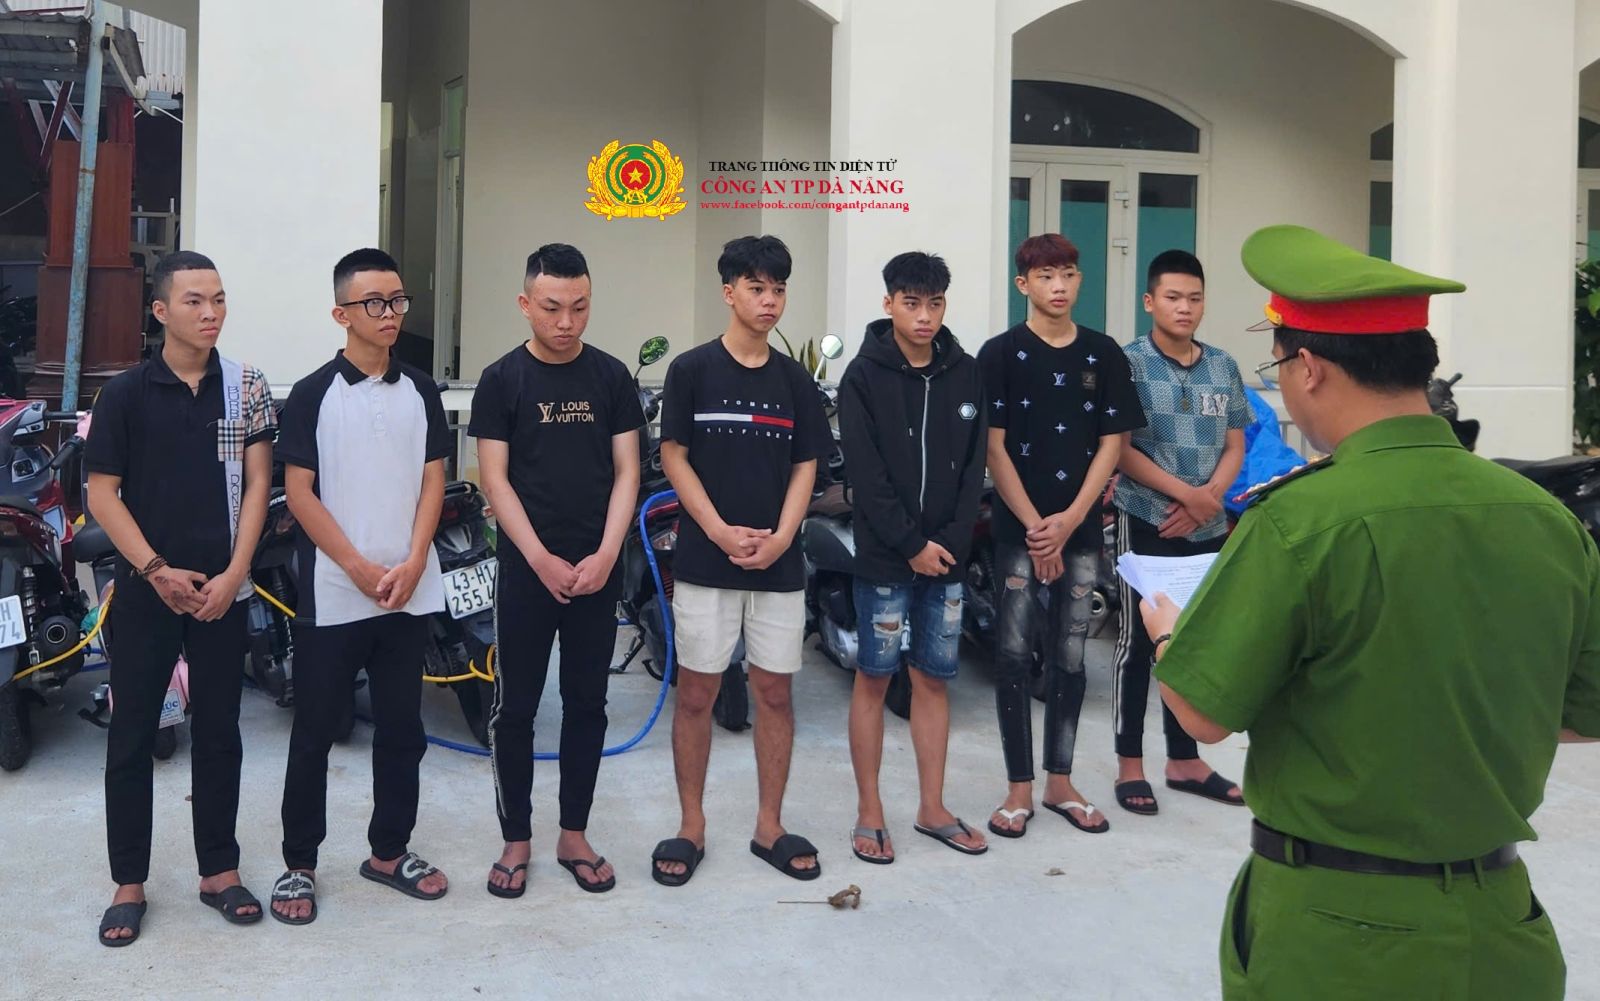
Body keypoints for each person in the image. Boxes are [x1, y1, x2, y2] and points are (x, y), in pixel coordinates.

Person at [1140, 224, 1599, 1000]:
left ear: (1310, 367)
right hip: (1500, 931)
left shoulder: (1299, 519)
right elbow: (1582, 713)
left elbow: (1201, 712)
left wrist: (1168, 635)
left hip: (1332, 934)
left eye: (1279, 367)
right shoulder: (1546, 518)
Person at [87, 251, 276, 946]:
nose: (211, 312)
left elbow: (258, 484)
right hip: (148, 590)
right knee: (133, 732)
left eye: (219, 299)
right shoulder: (124, 394)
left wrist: (235, 572)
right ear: (161, 310)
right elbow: (102, 494)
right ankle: (128, 882)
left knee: (221, 731)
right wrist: (156, 569)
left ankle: (218, 870)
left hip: (223, 591)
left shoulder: (245, 386)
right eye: (195, 300)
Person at [269, 248, 453, 924]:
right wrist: (354, 565)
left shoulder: (421, 390)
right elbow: (299, 492)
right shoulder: (313, 393)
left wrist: (414, 559)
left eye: (398, 299)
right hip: (337, 592)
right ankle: (299, 863)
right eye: (374, 302)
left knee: (403, 729)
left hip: (409, 588)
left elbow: (434, 477)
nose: (390, 312)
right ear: (341, 313)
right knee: (315, 732)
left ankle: (389, 851)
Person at [651, 235, 831, 885]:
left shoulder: (795, 380)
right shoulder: (692, 370)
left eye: (778, 289)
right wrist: (720, 532)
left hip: (778, 566)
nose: (769, 300)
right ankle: (691, 824)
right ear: (729, 292)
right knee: (697, 693)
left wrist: (782, 537)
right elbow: (674, 455)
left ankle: (769, 825)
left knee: (775, 693)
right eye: (757, 288)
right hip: (707, 559)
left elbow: (807, 463)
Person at [469, 243, 643, 896]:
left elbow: (627, 472)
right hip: (527, 572)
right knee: (515, 707)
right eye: (551, 308)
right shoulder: (501, 380)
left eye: (579, 307)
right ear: (525, 304)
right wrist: (540, 558)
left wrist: (606, 553)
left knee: (587, 703)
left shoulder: (612, 377)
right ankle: (516, 837)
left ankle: (574, 832)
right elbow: (495, 479)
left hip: (597, 570)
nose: (566, 321)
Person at [977, 233, 1145, 839]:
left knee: (1071, 657)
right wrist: (1034, 527)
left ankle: (1060, 782)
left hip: (1079, 529)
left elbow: (1112, 444)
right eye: (1046, 276)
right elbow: (994, 447)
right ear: (1023, 284)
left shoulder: (1103, 353)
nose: (1059, 286)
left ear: (1079, 280)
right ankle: (1018, 789)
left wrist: (1071, 520)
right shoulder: (999, 354)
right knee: (1012, 655)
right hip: (1015, 530)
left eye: (1068, 274)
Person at [838, 251, 988, 863]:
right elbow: (866, 476)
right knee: (874, 678)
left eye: (934, 304)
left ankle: (932, 807)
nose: (924, 316)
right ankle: (869, 811)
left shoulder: (967, 374)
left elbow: (974, 468)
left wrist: (946, 545)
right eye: (911, 303)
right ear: (889, 304)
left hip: (946, 560)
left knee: (932, 680)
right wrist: (910, 545)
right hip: (885, 559)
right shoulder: (862, 377)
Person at [1109, 249, 1247, 814]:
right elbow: (1119, 450)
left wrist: (1207, 498)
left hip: (1207, 524)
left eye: (1194, 298)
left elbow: (1235, 443)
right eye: (1172, 297)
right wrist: (1185, 494)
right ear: (1150, 301)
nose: (1184, 307)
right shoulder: (1128, 363)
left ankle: (1185, 760)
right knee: (1138, 643)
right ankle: (1130, 764)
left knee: (1192, 641)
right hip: (1145, 517)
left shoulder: (1224, 366)